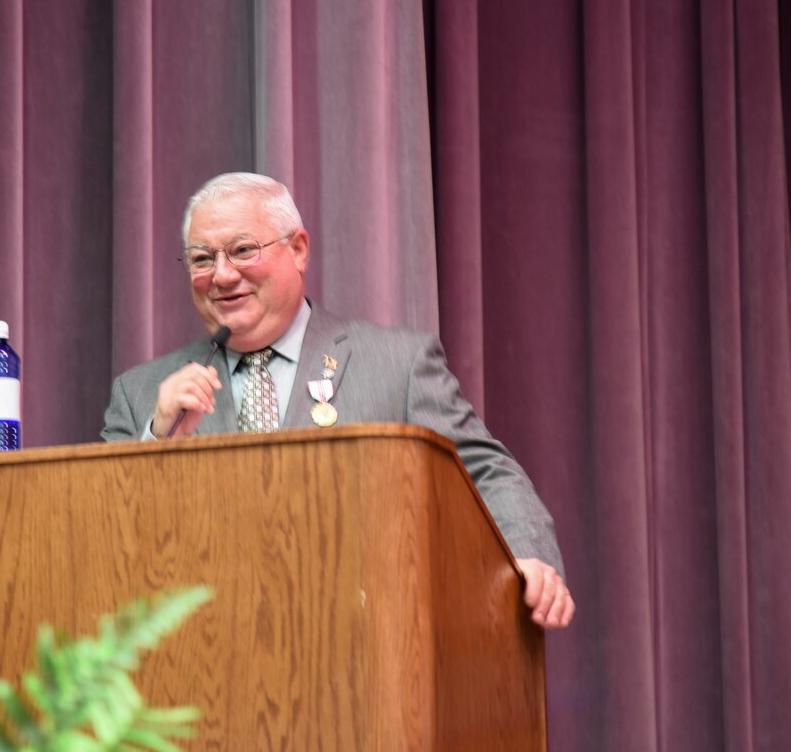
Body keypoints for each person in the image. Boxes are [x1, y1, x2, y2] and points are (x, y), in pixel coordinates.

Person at [102, 172, 575, 629]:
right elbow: (103, 536)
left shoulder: (398, 365)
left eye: (243, 250)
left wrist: (524, 556)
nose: (222, 275)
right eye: (202, 259)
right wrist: (154, 441)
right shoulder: (141, 394)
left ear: (298, 250)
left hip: (364, 652)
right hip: (202, 666)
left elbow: (485, 474)